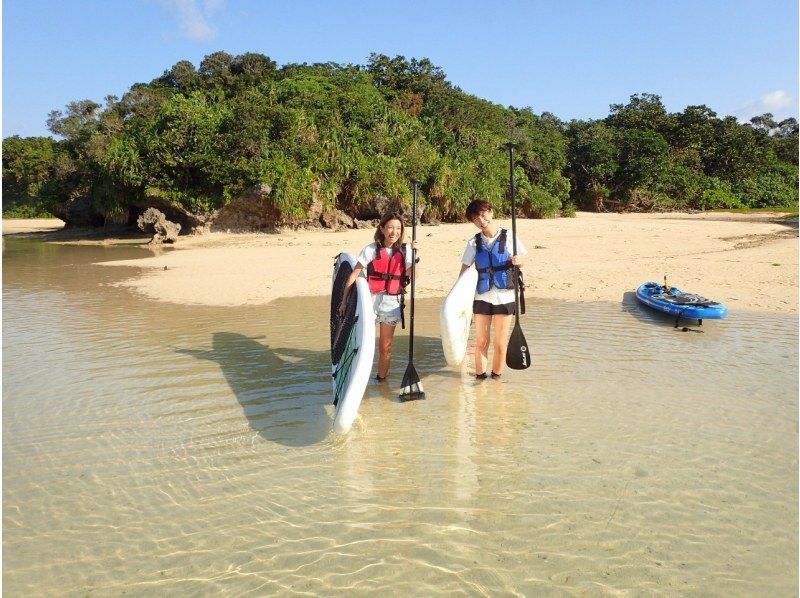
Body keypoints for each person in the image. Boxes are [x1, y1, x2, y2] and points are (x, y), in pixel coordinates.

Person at [340, 213, 419, 382]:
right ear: (382, 229)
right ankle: (356, 379)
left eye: (398, 228)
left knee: (385, 347)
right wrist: (344, 301)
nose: (394, 232)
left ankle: (381, 380)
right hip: (369, 301)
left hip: (392, 303)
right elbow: (354, 275)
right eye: (390, 227)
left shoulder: (405, 252)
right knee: (362, 345)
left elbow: (414, 276)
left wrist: (415, 255)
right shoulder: (371, 249)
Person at [459, 199, 527, 380]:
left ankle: (497, 378)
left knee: (500, 342)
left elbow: (523, 259)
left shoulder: (509, 236)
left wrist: (518, 261)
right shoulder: (473, 243)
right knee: (481, 341)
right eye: (476, 218)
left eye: (483, 214)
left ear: (491, 212)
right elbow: (464, 272)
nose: (481, 220)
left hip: (505, 297)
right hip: (481, 297)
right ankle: (480, 378)